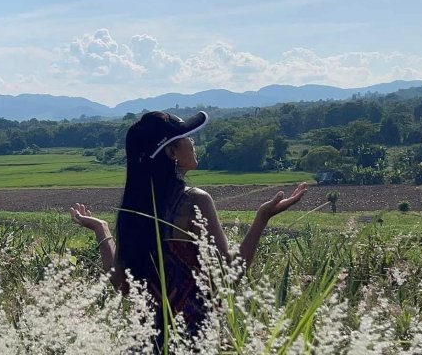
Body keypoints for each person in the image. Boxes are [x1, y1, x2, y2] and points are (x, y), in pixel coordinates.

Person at [69, 110, 307, 338]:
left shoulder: (133, 208)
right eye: (186, 138)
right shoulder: (194, 200)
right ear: (172, 152)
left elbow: (122, 285)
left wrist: (101, 229)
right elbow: (229, 276)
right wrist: (262, 218)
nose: (193, 142)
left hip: (144, 340)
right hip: (193, 337)